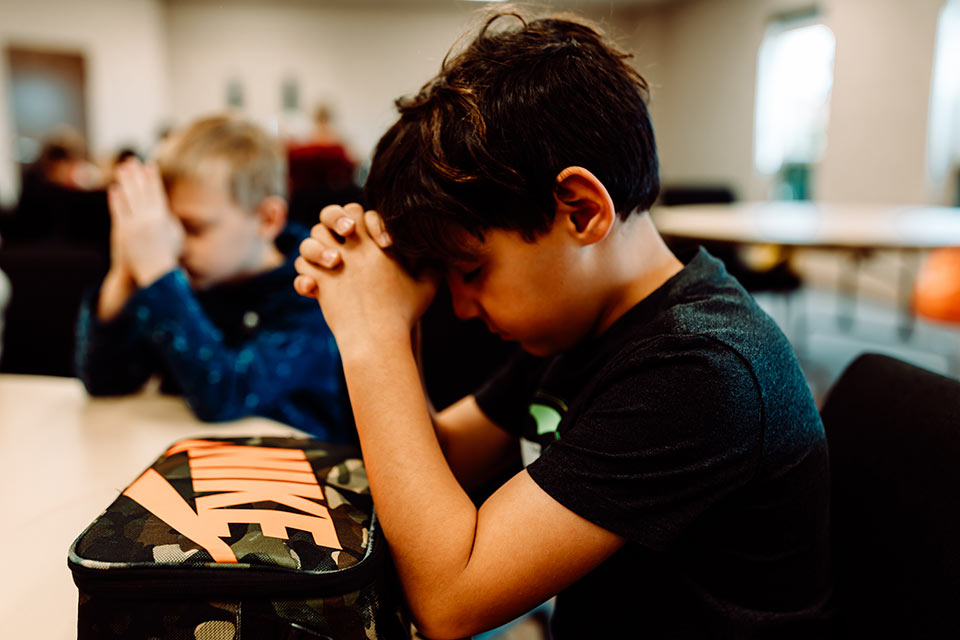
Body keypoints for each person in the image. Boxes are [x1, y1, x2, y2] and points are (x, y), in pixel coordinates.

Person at [294, 12, 832, 639]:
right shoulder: (588, 321)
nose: (461, 307)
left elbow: (449, 598)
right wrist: (396, 314)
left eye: (470, 269)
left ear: (580, 211)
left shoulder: (700, 368)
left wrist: (370, 340)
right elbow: (445, 463)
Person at [76, 115, 350, 441]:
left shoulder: (310, 291)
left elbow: (224, 396)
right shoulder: (192, 280)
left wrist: (157, 271)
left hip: (297, 471)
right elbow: (106, 381)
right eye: (168, 228)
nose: (173, 246)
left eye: (193, 228)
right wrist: (125, 273)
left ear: (267, 219)